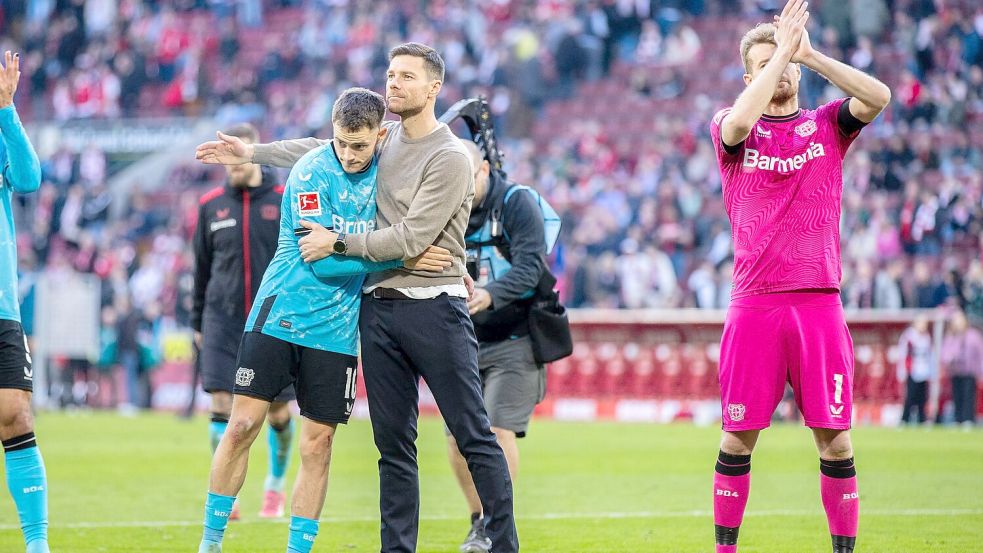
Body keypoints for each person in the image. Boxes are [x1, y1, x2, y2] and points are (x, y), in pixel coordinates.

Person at [195, 43, 519, 553]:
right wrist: (252, 153)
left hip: (391, 315)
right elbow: (318, 184)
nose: (393, 83)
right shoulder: (348, 155)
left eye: (405, 76)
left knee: (453, 436)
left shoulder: (424, 151)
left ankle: (501, 543)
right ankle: (216, 543)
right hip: (330, 311)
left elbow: (407, 233)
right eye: (390, 74)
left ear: (432, 88)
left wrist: (394, 252)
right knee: (366, 445)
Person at [708, 2, 891, 552]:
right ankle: (725, 549)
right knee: (737, 439)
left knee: (836, 443)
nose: (780, 70)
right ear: (750, 77)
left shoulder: (826, 126)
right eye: (765, 63)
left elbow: (878, 97)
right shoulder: (729, 126)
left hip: (818, 304)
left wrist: (811, 55)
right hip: (755, 303)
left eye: (785, 63)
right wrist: (781, 54)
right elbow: (741, 122)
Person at [191, 123, 295, 519]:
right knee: (220, 402)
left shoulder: (285, 199)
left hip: (274, 320)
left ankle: (274, 486)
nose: (229, 164)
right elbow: (201, 270)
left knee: (280, 413)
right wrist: (197, 321)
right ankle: (227, 492)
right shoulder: (211, 206)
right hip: (221, 320)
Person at [450, 140, 548, 552]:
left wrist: (489, 294)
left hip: (515, 338)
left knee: (495, 429)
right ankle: (479, 521)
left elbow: (531, 267)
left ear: (485, 170)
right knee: (458, 437)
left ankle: (497, 523)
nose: (460, 187)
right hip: (461, 340)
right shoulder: (444, 202)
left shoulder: (517, 203)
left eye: (467, 177)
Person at [0, 50, 48, 553]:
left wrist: (6, 109)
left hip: (2, 307)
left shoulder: (1, 129)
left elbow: (31, 179)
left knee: (15, 414)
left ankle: (36, 543)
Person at [940, 310, 981, 427]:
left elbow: (980, 354)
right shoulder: (951, 337)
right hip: (955, 370)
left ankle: (968, 419)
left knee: (968, 396)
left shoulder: (973, 336)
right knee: (957, 396)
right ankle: (958, 418)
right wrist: (949, 359)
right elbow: (945, 353)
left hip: (969, 371)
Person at [896, 315, 935, 425]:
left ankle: (922, 419)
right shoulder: (908, 336)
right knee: (910, 396)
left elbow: (930, 356)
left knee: (922, 397)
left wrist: (932, 372)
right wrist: (902, 371)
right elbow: (903, 354)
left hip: (924, 371)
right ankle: (905, 419)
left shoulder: (927, 337)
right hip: (912, 371)